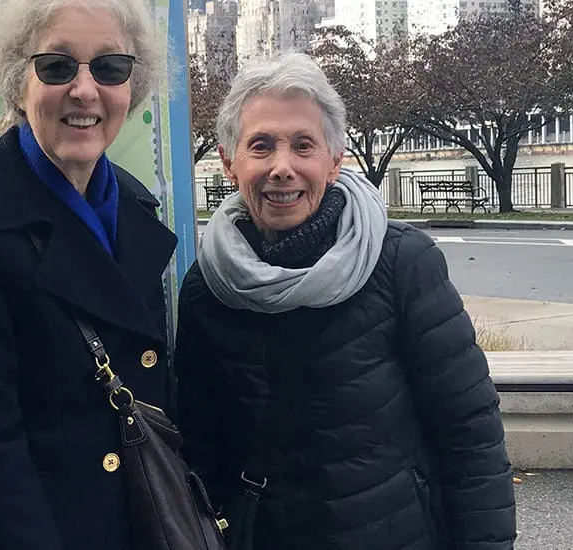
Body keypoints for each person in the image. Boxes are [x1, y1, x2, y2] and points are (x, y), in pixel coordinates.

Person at [174, 53, 517, 549]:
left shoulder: (400, 263)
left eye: (303, 145)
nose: (282, 167)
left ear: (335, 160)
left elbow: (469, 435)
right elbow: (200, 450)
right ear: (230, 163)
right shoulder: (209, 286)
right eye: (261, 146)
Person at [0, 0, 176, 549]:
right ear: (17, 82)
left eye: (110, 67)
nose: (84, 90)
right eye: (57, 66)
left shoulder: (136, 210)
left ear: (133, 85)